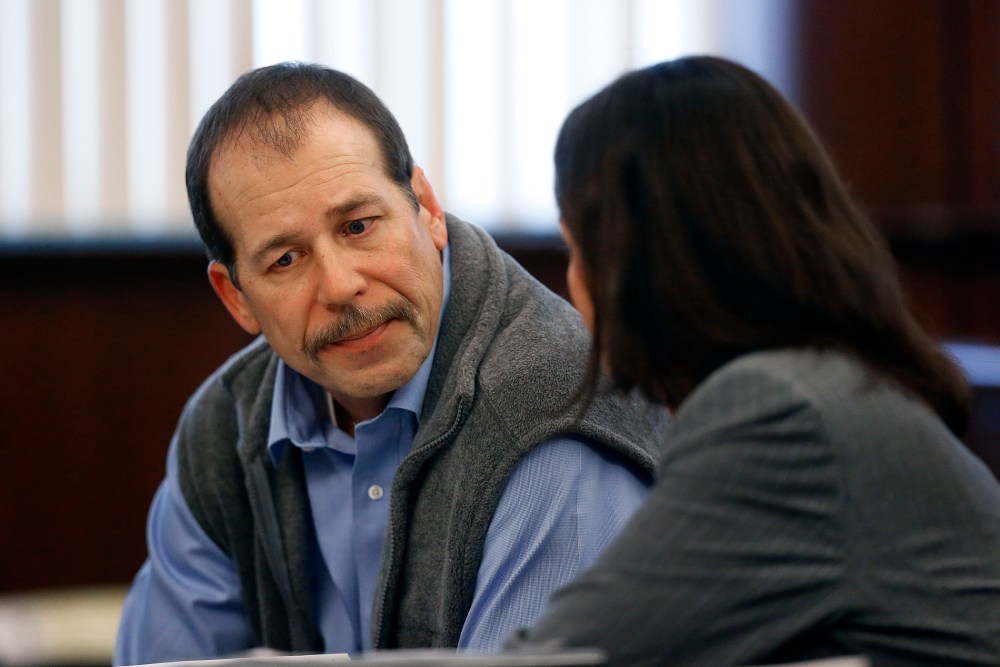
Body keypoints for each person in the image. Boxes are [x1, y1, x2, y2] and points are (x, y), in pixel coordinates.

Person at [114, 62, 669, 665]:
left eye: (358, 226)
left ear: (426, 208)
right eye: (285, 260)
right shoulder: (224, 429)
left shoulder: (556, 412)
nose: (340, 285)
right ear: (235, 297)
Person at [505, 56, 1000, 666]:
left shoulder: (778, 411)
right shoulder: (835, 381)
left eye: (573, 247)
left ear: (630, 259)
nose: (572, 281)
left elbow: (567, 658)